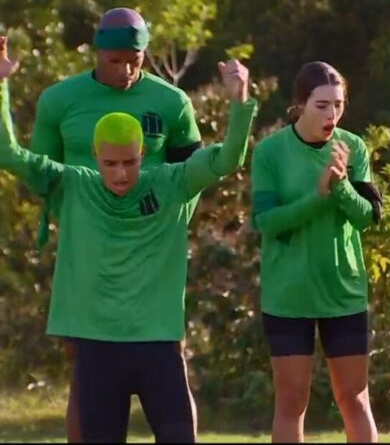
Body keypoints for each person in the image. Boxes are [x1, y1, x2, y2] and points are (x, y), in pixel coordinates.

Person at [0, 35, 258, 442]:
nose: (121, 174)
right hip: (99, 344)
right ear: (95, 157)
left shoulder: (173, 181)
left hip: (156, 339)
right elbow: (10, 154)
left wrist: (241, 102)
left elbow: (227, 160)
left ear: (144, 152)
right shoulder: (76, 183)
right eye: (110, 164)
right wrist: (1, 85)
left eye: (130, 162)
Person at [28, 7, 203, 443]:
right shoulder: (59, 101)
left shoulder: (171, 103)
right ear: (97, 53)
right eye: (115, 60)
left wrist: (165, 223)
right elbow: (40, 175)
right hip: (85, 251)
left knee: (167, 355)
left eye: (135, 59)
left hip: (150, 249)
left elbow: (193, 175)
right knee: (85, 362)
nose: (125, 69)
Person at [251, 61, 383, 443]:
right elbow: (268, 222)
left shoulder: (353, 147)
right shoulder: (270, 152)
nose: (331, 114)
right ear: (300, 104)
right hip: (288, 295)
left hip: (343, 292)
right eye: (321, 105)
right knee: (291, 400)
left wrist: (340, 187)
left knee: (354, 399)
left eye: (338, 105)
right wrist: (318, 196)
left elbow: (366, 218)